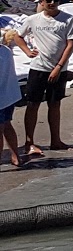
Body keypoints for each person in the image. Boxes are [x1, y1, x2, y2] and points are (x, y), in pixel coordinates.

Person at [17, 0, 73, 156]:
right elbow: (17, 35)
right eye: (48, 0)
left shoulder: (68, 19)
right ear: (42, 2)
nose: (52, 3)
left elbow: (71, 44)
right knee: (32, 104)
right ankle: (29, 142)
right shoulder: (33, 19)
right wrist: (28, 51)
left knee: (55, 104)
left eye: (55, 0)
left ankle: (56, 141)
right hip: (38, 67)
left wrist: (58, 67)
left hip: (58, 68)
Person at [0, 27, 22, 167]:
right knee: (7, 125)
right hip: (10, 95)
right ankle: (15, 156)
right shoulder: (6, 51)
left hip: (2, 98)